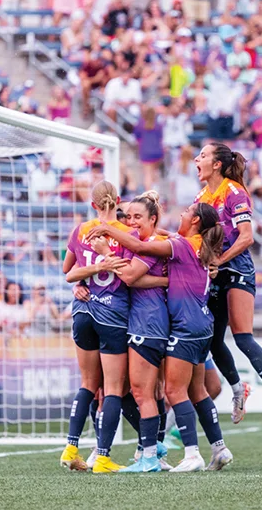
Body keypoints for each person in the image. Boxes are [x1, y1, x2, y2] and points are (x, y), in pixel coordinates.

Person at [87, 202, 234, 473]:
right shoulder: (193, 243)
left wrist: (108, 231)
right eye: (128, 217)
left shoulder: (179, 246)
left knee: (168, 391)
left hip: (178, 326)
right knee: (193, 390)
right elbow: (159, 241)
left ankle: (170, 453)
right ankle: (217, 447)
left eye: (187, 212)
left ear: (196, 221)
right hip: (199, 324)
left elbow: (136, 266)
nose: (181, 214)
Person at [194, 143, 262, 428]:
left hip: (237, 270)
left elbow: (247, 237)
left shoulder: (234, 191)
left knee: (242, 336)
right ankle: (238, 389)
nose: (196, 159)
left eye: (202, 156)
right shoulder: (201, 197)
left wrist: (220, 260)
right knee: (213, 341)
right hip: (215, 273)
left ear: (217, 164)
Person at [93, 192, 171, 473]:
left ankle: (150, 455)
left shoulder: (153, 243)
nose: (131, 221)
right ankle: (152, 447)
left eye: (138, 217)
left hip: (149, 322)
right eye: (128, 217)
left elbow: (127, 276)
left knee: (143, 393)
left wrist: (105, 253)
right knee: (129, 390)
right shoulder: (142, 241)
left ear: (152, 218)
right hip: (135, 321)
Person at [59, 181, 131, 473]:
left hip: (82, 312)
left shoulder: (81, 230)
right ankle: (102, 457)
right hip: (112, 313)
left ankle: (70, 447)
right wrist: (104, 264)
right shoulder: (128, 234)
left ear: (93, 205)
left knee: (87, 384)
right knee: (113, 388)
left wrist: (82, 280)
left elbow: (67, 270)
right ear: (118, 200)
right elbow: (130, 274)